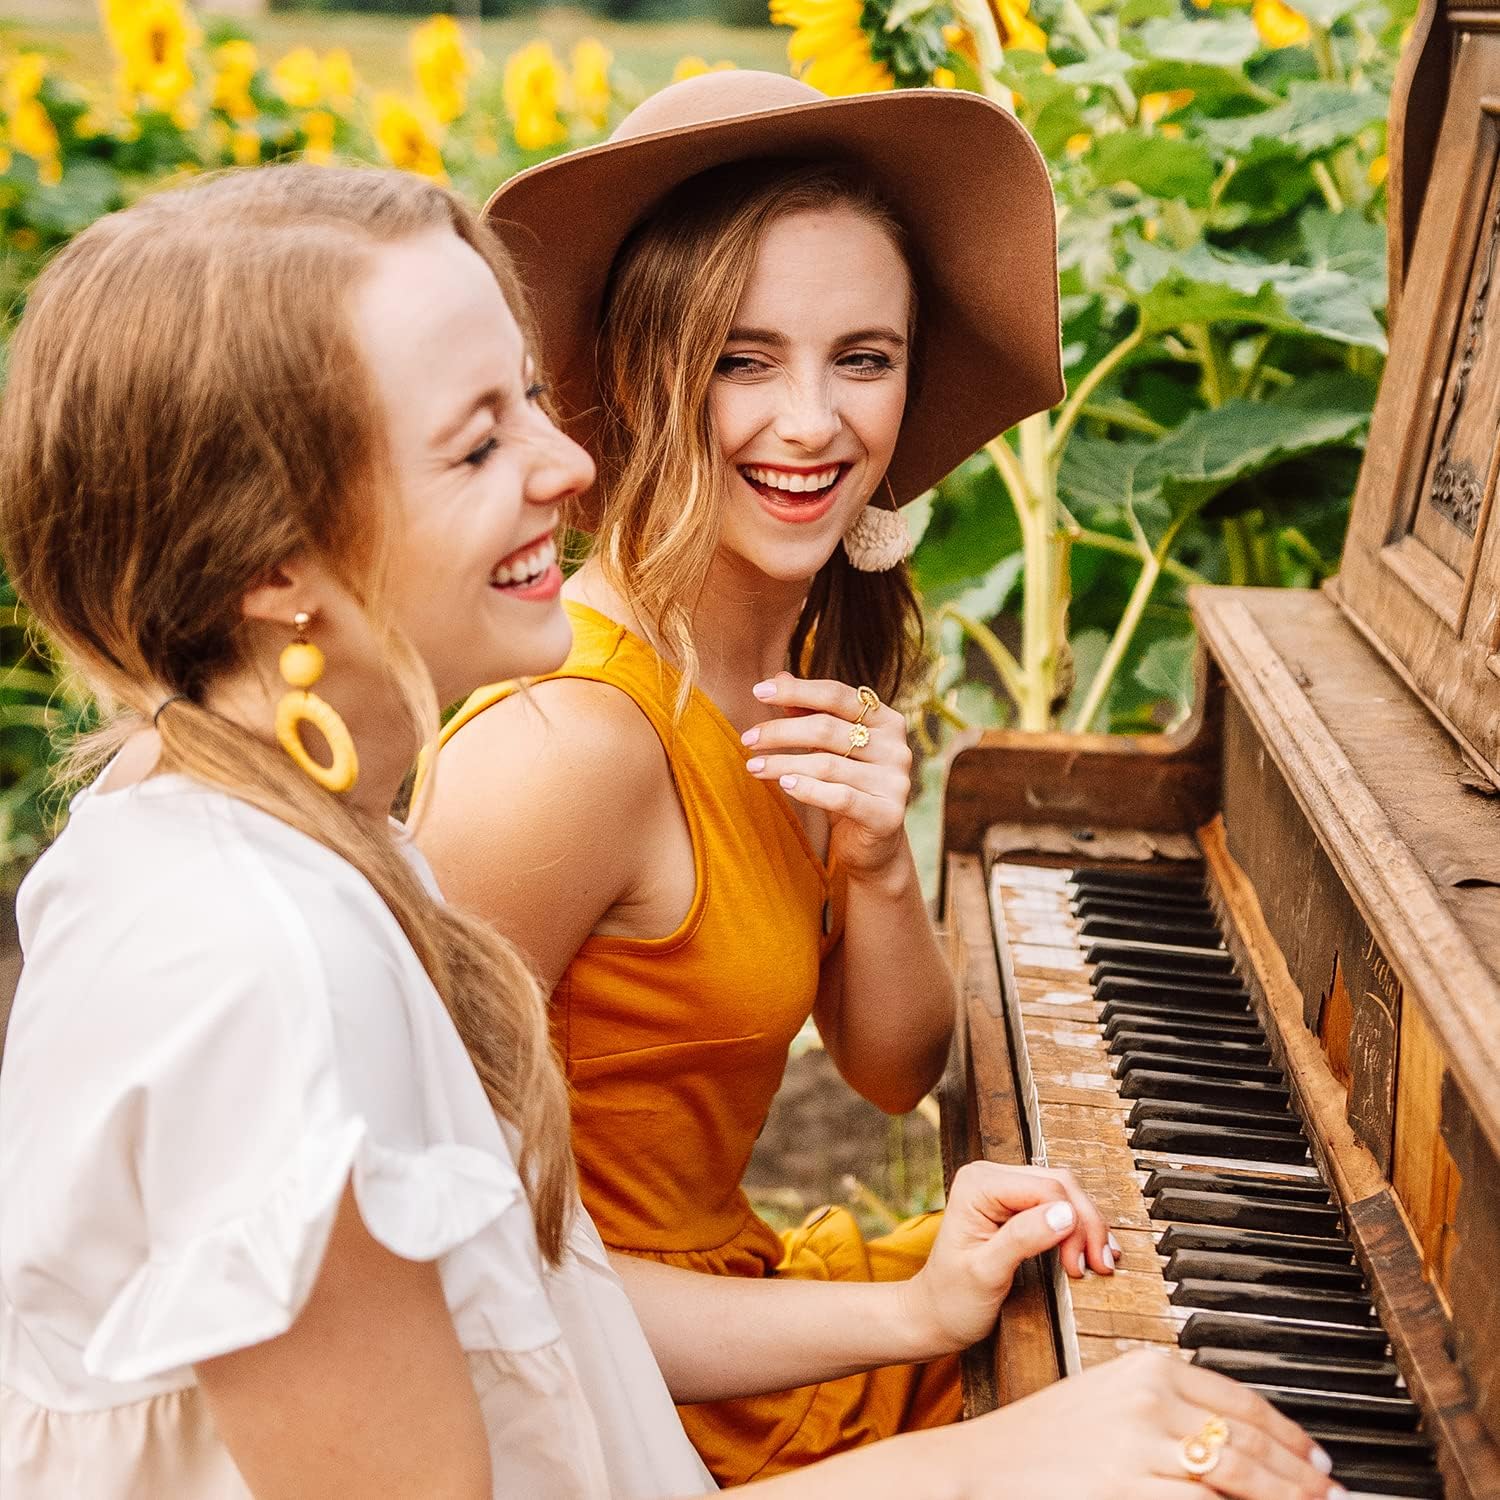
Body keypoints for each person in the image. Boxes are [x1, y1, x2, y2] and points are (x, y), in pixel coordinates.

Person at [0, 163, 1339, 1500]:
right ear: (270, 563)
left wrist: (914, 1313)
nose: (574, 463)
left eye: (531, 397)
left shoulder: (290, 850)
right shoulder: (259, 975)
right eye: (476, 444)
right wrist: (991, 1471)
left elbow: (545, 1298)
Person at [417, 70, 1066, 1484]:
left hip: (725, 1325)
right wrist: (906, 1314)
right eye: (744, 359)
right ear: (643, 372)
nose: (814, 422)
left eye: (864, 358)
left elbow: (893, 1072)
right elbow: (445, 1280)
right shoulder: (568, 749)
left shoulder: (783, 664)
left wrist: (876, 862)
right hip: (622, 1417)